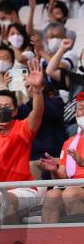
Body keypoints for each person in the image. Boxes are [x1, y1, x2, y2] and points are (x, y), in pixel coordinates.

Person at [0, 61, 45, 221]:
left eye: (7, 107)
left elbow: (37, 113)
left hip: (24, 190)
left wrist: (38, 91)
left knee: (5, 200)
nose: (3, 109)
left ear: (15, 111)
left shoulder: (22, 127)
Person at [41, 93, 84, 223]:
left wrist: (82, 162)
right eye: (80, 108)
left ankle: (76, 241)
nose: (82, 112)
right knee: (51, 195)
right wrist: (53, 170)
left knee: (70, 193)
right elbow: (61, 178)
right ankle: (49, 241)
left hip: (74, 189)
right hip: (72, 186)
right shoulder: (69, 142)